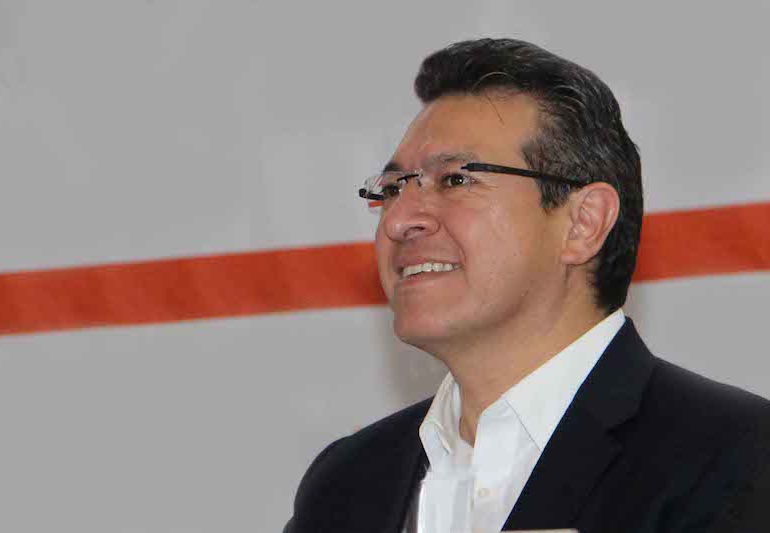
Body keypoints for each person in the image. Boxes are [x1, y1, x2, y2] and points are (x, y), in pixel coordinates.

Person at [284, 38, 770, 533]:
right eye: (391, 189)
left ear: (583, 223)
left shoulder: (739, 459)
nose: (398, 220)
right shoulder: (348, 482)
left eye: (455, 180)